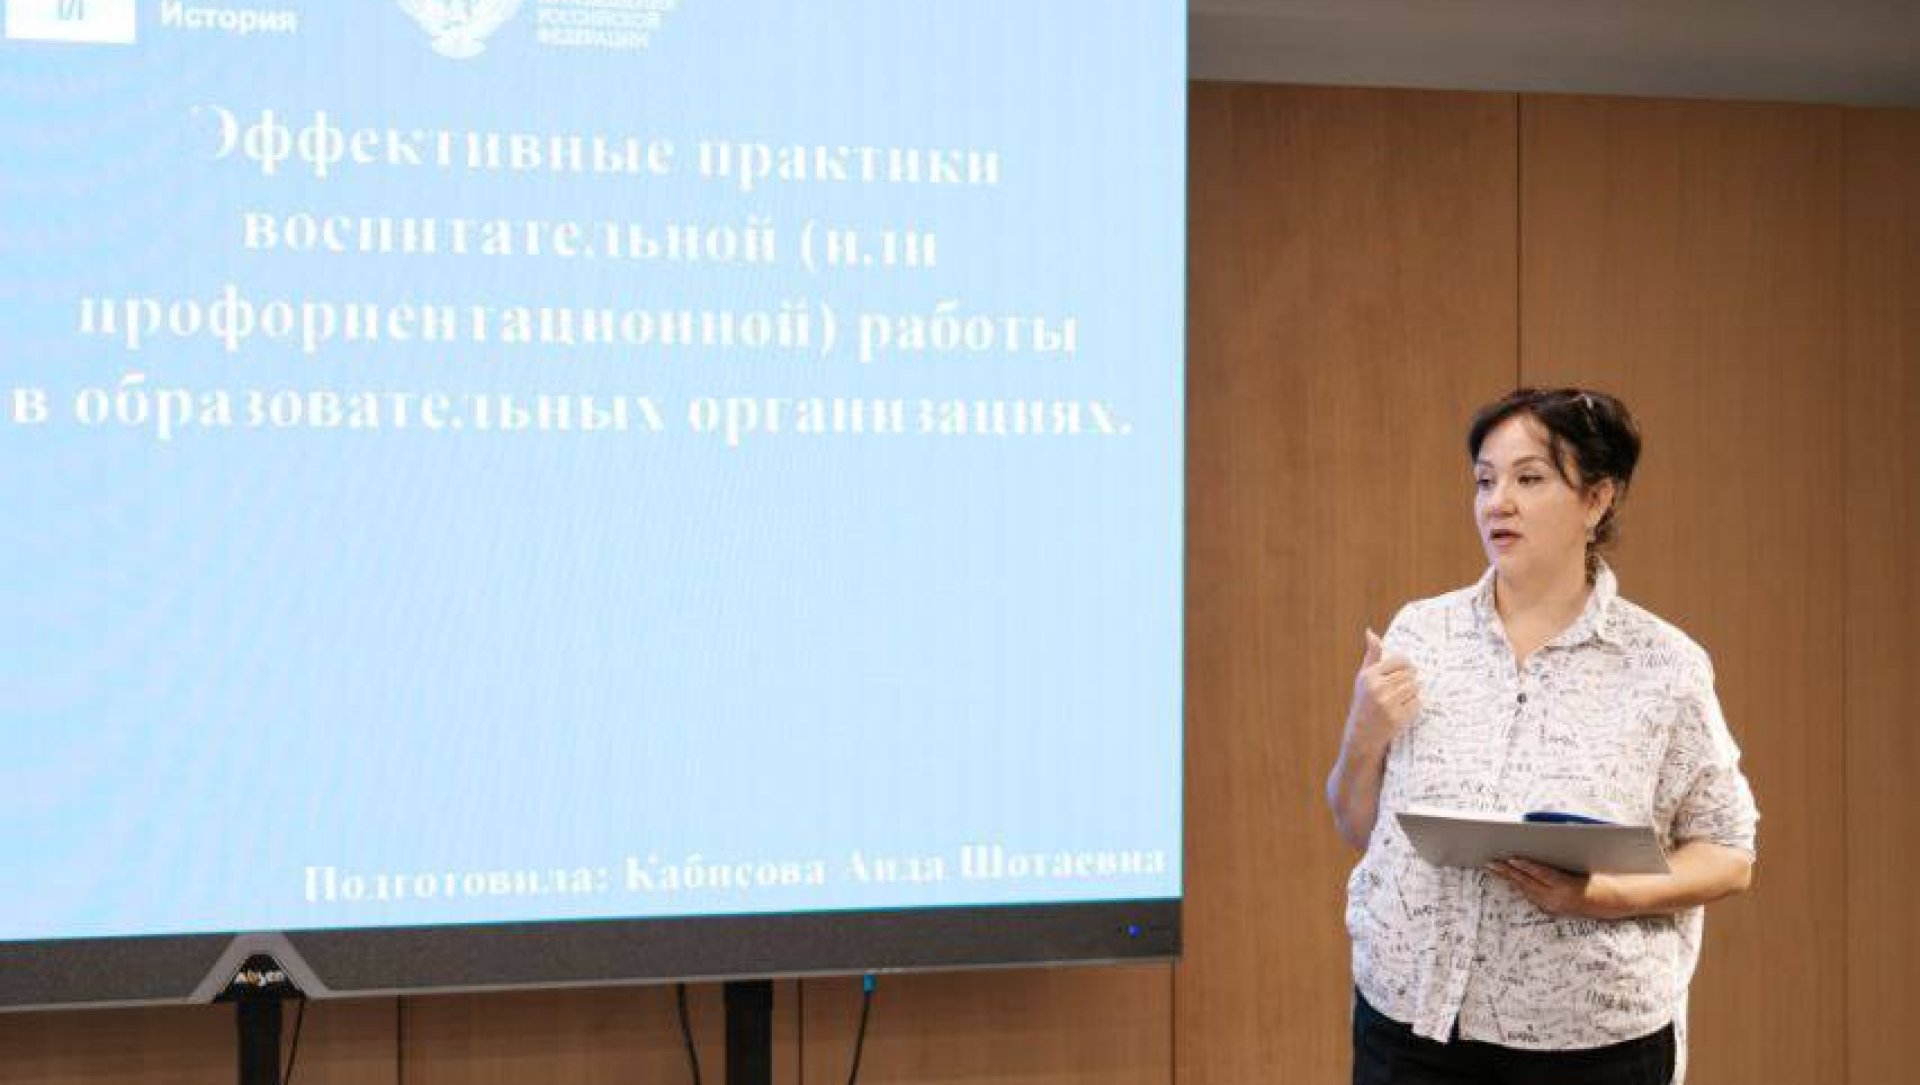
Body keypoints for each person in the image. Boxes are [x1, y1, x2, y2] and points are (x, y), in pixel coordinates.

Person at [1324, 388, 1759, 1085]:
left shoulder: (1664, 664)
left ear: (1597, 500)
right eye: (1485, 481)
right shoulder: (1420, 634)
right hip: (1410, 1026)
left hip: (1591, 1044)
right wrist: (1362, 732)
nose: (1498, 502)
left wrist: (1601, 894)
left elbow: (1730, 856)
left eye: (1529, 478)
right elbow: (1358, 825)